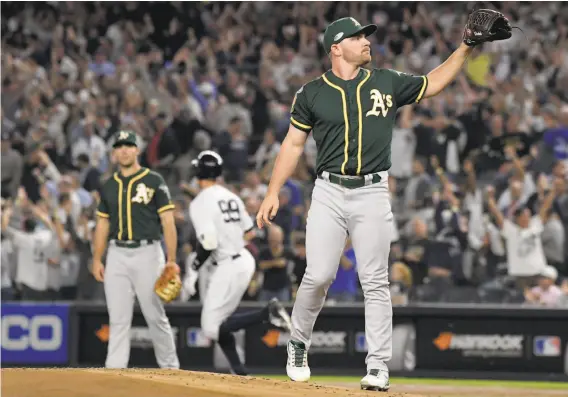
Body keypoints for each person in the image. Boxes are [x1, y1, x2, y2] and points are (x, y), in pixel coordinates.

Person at [256, 15, 510, 391]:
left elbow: (433, 82)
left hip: (373, 191)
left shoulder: (386, 81)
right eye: (358, 37)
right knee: (319, 274)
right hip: (328, 190)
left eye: (365, 36)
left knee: (375, 281)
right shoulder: (311, 92)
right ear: (336, 47)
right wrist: (273, 190)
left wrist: (465, 48)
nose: (366, 42)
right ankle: (298, 341)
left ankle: (378, 366)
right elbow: (293, 145)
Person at [182, 150, 292, 375]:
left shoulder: (200, 202)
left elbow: (210, 243)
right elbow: (249, 232)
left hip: (229, 264)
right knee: (221, 323)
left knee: (210, 328)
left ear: (198, 172)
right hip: (242, 260)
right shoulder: (231, 195)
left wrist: (193, 270)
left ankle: (267, 313)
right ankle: (239, 370)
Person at [91, 130, 180, 369]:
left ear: (137, 150)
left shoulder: (154, 180)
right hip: (117, 253)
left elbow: (168, 222)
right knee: (118, 318)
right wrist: (97, 259)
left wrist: (171, 259)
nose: (124, 150)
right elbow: (102, 224)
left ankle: (171, 370)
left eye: (129, 145)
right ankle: (114, 372)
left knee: (154, 314)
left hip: (148, 253)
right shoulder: (109, 185)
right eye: (120, 146)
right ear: (114, 153)